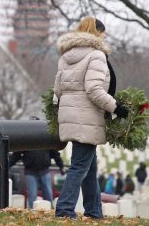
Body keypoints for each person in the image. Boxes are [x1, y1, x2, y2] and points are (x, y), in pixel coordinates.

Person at [54, 17, 129, 219]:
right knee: (80, 166)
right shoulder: (96, 55)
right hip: (86, 117)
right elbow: (94, 89)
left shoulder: (65, 56)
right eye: (103, 32)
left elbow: (57, 91)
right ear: (96, 32)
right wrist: (115, 107)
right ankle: (64, 210)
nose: (105, 36)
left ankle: (94, 211)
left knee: (89, 166)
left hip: (71, 116)